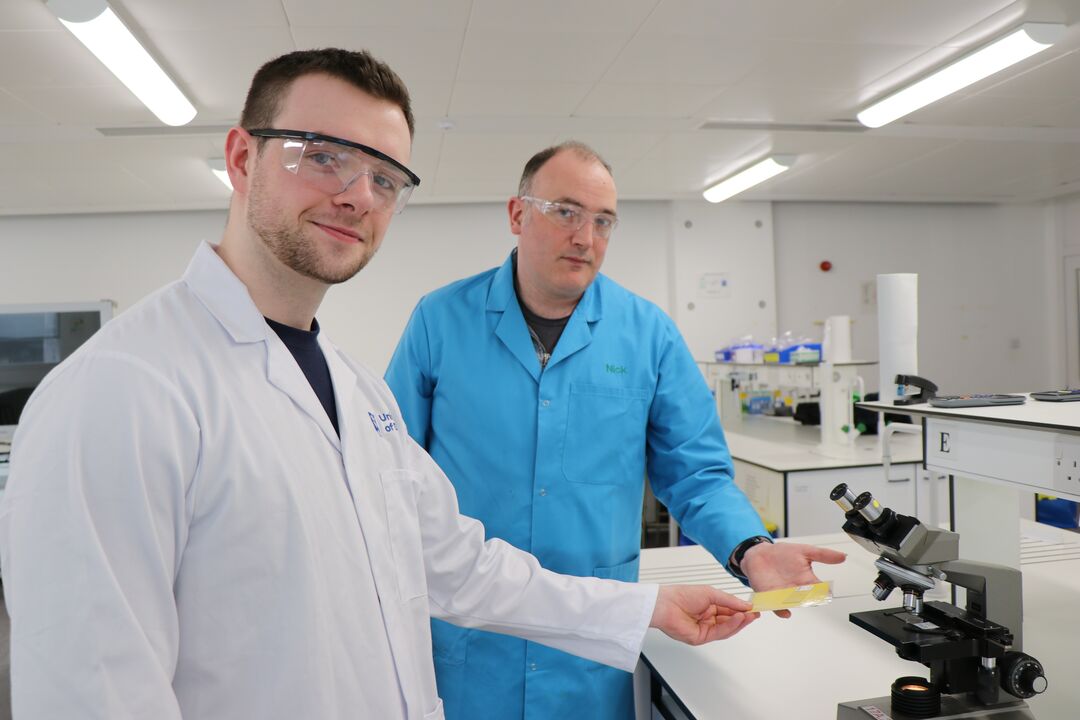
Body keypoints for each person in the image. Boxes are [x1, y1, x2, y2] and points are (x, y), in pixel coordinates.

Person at [0, 50, 762, 720]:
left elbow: (462, 568)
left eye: (385, 177)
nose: (360, 195)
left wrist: (651, 604)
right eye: (322, 155)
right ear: (241, 158)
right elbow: (94, 696)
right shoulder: (116, 395)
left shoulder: (359, 397)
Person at [385, 141, 847, 719]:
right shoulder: (440, 319)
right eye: (566, 212)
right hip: (471, 642)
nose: (585, 237)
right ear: (517, 214)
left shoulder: (648, 333)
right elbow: (392, 472)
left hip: (592, 648)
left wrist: (751, 548)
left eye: (603, 221)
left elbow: (696, 474)